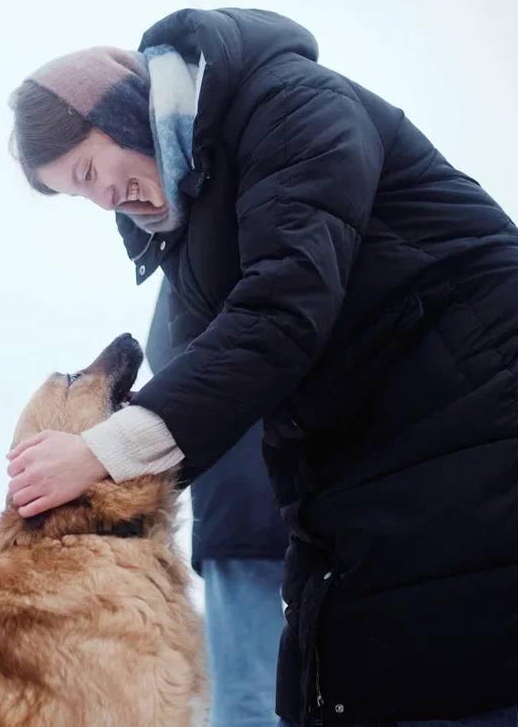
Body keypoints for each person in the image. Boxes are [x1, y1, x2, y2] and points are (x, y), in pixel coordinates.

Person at [4, 8, 518, 726]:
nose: (104, 198)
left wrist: (98, 452)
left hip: (466, 389)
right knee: (344, 671)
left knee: (447, 651)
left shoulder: (285, 103)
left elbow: (283, 311)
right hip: (358, 431)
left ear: (124, 110)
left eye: (90, 170)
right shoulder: (193, 229)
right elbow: (204, 382)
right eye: (82, 194)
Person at [147, 278, 287, 727]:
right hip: (271, 504)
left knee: (249, 689)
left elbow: (169, 354)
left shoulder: (196, 264)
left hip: (241, 507)